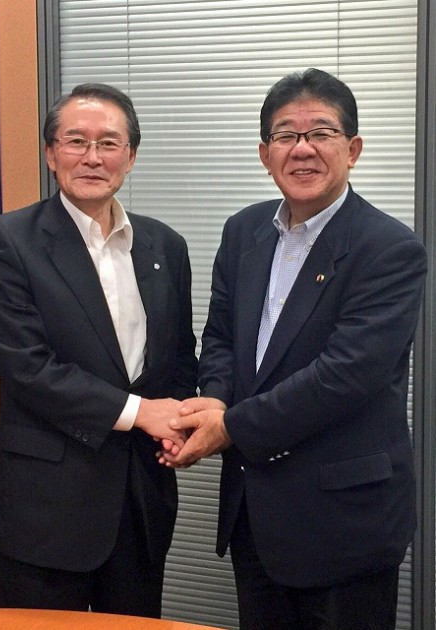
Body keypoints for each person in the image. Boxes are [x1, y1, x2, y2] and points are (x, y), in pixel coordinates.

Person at [159, 68, 427, 629]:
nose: (302, 149)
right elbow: (221, 336)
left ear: (353, 149)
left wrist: (228, 426)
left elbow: (345, 376)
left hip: (344, 520)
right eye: (286, 135)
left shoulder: (389, 248)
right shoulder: (243, 231)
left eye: (321, 133)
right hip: (256, 511)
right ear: (265, 154)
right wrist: (215, 397)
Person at [0, 83, 197, 617]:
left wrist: (183, 421)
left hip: (140, 501)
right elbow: (29, 369)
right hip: (45, 509)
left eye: (109, 143)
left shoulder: (165, 245)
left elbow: (178, 356)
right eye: (76, 141)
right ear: (51, 154)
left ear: (131, 156)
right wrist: (144, 413)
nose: (92, 157)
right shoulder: (10, 242)